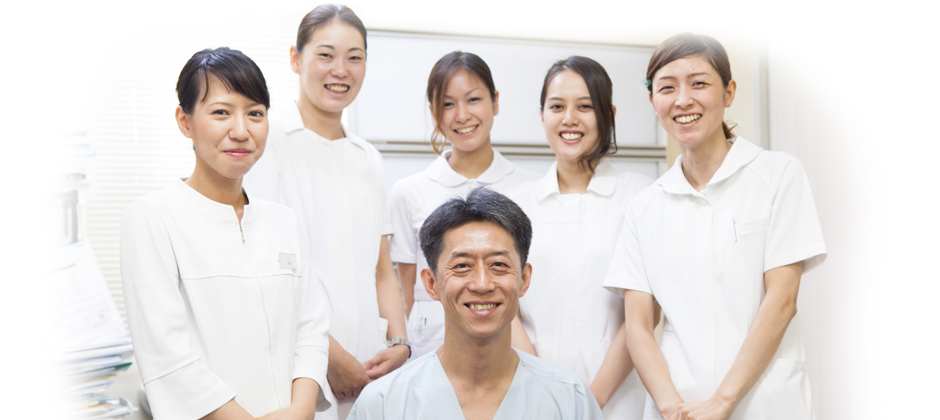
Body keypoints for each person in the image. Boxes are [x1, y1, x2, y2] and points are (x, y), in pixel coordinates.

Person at [604, 33, 827, 420]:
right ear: (653, 101)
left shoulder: (778, 175)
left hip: (765, 404)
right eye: (667, 88)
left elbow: (782, 300)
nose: (683, 100)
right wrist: (672, 409)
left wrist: (723, 402)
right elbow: (638, 325)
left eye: (699, 83)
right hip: (678, 405)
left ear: (728, 92)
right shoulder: (644, 208)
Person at [120, 47, 331, 419]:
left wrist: (300, 411)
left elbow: (311, 330)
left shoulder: (283, 221)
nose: (241, 131)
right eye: (221, 112)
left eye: (255, 113)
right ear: (185, 121)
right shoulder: (153, 218)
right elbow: (167, 357)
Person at [243, 5, 410, 419]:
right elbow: (268, 268)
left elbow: (381, 266)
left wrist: (399, 343)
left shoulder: (368, 157)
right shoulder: (268, 140)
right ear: (295, 59)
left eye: (355, 57)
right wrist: (330, 358)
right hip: (302, 365)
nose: (341, 70)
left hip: (371, 364)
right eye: (326, 55)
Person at [349, 187, 604, 420]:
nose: (482, 284)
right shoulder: (383, 404)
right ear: (431, 283)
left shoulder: (569, 400)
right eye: (462, 266)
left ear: (524, 280)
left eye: (499, 264)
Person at [508, 55, 654, 419]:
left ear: (609, 114)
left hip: (621, 399)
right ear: (542, 114)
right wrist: (545, 394)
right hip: (534, 400)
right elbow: (507, 310)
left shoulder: (642, 196)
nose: (569, 119)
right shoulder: (516, 205)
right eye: (557, 106)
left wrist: (588, 402)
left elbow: (645, 313)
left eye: (585, 107)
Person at [388, 51, 538, 361]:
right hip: (430, 356)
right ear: (433, 112)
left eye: (473, 99)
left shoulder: (531, 189)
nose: (462, 115)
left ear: (495, 101)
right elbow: (409, 295)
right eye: (447, 104)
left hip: (511, 354)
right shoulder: (409, 192)